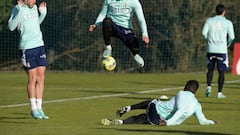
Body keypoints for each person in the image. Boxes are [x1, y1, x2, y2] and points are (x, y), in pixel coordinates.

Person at [101, 80, 216, 126]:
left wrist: (168, 122)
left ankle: (128, 108)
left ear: (186, 87)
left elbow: (180, 110)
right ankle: (120, 122)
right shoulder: (197, 105)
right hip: (157, 121)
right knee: (141, 119)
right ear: (195, 91)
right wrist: (212, 122)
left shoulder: (182, 93)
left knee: (154, 101)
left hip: (158, 114)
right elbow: (202, 121)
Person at [8, 0, 49, 120]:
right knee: (33, 77)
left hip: (39, 45)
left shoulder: (34, 7)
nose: (34, 1)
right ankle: (33, 108)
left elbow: (36, 24)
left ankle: (40, 108)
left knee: (41, 77)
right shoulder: (17, 8)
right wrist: (19, 11)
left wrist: (43, 14)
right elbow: (11, 27)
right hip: (27, 48)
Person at [89, 0, 150, 67]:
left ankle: (135, 54)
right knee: (107, 21)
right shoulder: (108, 1)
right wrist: (96, 24)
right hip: (113, 27)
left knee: (133, 43)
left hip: (126, 29)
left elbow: (141, 19)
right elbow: (102, 14)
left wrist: (145, 34)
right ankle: (108, 48)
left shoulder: (134, 2)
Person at [202, 3, 235, 99]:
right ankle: (219, 93)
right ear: (224, 12)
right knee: (221, 72)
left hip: (211, 49)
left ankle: (208, 87)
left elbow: (204, 33)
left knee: (210, 69)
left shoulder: (209, 20)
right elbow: (232, 37)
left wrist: (208, 40)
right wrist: (228, 43)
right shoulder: (228, 22)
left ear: (215, 11)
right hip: (221, 50)